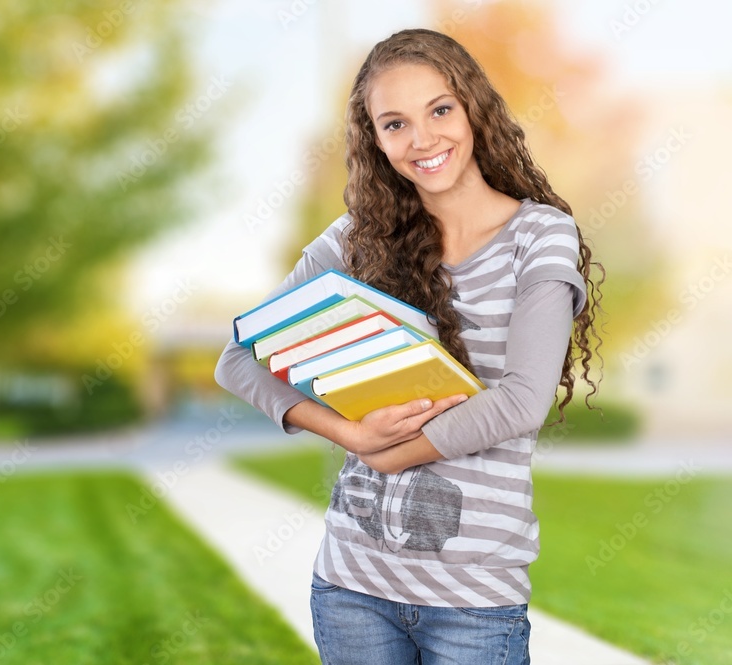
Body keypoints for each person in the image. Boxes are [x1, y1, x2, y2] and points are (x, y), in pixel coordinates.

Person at [214, 28, 604, 665]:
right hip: (351, 588)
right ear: (375, 139)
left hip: (474, 602)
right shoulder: (354, 241)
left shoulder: (540, 235)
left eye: (440, 110)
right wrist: (353, 438)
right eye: (395, 123)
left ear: (474, 108)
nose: (422, 140)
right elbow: (236, 359)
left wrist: (394, 455)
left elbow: (523, 401)